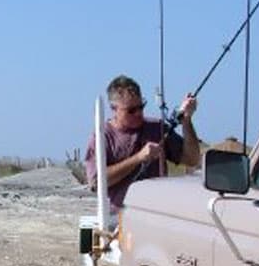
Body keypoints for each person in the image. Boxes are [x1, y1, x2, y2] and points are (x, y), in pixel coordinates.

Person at [85, 75, 201, 211]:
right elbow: (96, 182)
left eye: (141, 106)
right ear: (114, 109)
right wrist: (138, 158)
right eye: (131, 110)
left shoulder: (157, 128)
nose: (138, 113)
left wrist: (186, 121)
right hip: (119, 217)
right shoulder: (103, 136)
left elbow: (192, 159)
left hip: (157, 213)